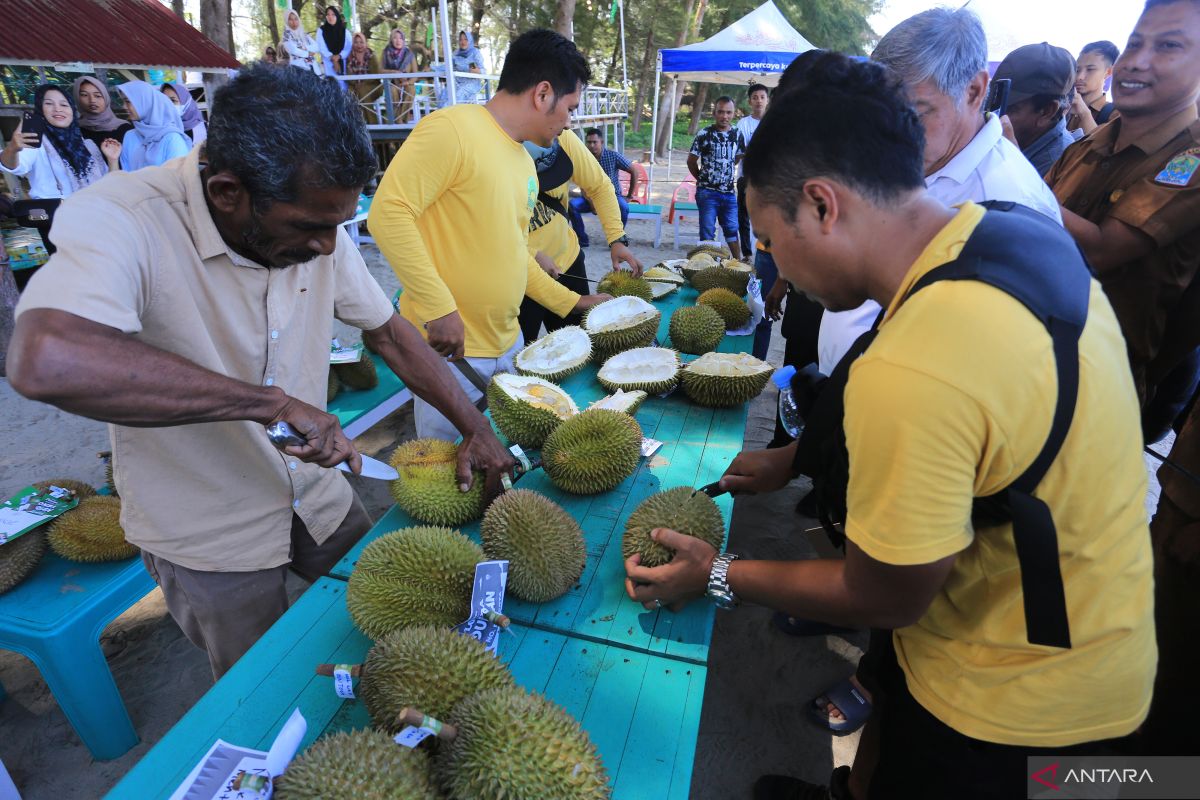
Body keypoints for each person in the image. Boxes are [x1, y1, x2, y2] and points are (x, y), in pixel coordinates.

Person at [626, 50, 1155, 800]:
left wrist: (714, 572)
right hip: (1091, 617)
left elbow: (884, 597)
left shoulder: (916, 367)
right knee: (887, 754)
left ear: (822, 204)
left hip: (1019, 700)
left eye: (772, 240)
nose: (775, 263)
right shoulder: (999, 234)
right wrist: (797, 459)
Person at [7, 63, 514, 679]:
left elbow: (389, 333)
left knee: (395, 638)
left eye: (337, 225)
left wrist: (473, 426)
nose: (329, 246)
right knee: (264, 689)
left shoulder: (311, 217)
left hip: (318, 494)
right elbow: (47, 359)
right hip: (209, 529)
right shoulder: (124, 217)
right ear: (228, 192)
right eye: (310, 227)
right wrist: (268, 402)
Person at [369, 29, 612, 441]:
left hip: (510, 343)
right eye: (569, 107)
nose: (570, 120)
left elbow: (517, 252)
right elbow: (388, 214)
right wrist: (438, 307)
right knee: (449, 474)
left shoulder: (521, 161)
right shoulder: (452, 129)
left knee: (503, 465)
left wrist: (574, 302)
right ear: (542, 94)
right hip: (451, 356)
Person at [818, 8, 1062, 379]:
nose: (891, 131)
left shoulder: (1009, 204)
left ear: (974, 91)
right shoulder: (913, 156)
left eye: (914, 112)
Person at [1046, 0, 1200, 408]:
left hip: (1095, 389)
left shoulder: (1193, 159)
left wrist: (1007, 170)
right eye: (1134, 45)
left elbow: (1098, 249)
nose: (1137, 62)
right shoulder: (1091, 142)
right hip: (1022, 351)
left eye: (1168, 46)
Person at [520, 128, 642, 343]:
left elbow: (600, 185)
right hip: (521, 278)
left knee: (579, 344)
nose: (567, 121)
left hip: (568, 263)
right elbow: (488, 236)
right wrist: (532, 254)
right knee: (523, 353)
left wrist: (617, 239)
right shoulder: (491, 152)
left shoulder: (559, 133)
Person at [1, 84, 121, 264]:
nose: (58, 109)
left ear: (73, 110)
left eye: (64, 105)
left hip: (96, 222)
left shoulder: (86, 145)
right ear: (41, 109)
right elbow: (15, 167)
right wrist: (12, 149)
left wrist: (112, 160)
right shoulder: (36, 143)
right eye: (49, 103)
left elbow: (110, 187)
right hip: (58, 225)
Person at [994, 42, 1079, 175]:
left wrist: (1014, 164)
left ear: (1047, 111)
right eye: (994, 104)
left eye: (1011, 109)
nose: (995, 116)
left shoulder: (1059, 168)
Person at [687, 96, 742, 259]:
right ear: (714, 113)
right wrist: (702, 179)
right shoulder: (704, 134)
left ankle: (738, 265)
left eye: (728, 112)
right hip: (707, 193)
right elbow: (691, 161)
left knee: (732, 229)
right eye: (721, 112)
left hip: (729, 193)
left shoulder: (737, 134)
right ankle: (706, 267)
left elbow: (737, 157)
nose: (724, 116)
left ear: (733, 114)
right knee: (707, 231)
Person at [568, 128, 636, 247]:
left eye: (595, 142)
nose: (592, 145)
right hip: (589, 197)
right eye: (589, 142)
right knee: (572, 206)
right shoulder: (584, 158)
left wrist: (629, 195)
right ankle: (582, 239)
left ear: (602, 142)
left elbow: (634, 171)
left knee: (624, 207)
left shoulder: (613, 156)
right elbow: (582, 184)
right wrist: (591, 202)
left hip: (613, 197)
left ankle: (617, 240)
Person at [117, 81, 191, 170]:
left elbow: (178, 178)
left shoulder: (172, 138)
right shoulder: (130, 136)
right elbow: (126, 175)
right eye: (123, 102)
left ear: (145, 102)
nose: (124, 107)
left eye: (128, 101)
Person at [735, 83, 769, 255]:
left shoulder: (773, 122)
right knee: (744, 217)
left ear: (767, 100)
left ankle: (766, 251)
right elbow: (739, 151)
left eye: (762, 97)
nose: (759, 101)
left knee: (767, 215)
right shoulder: (743, 124)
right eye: (755, 97)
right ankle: (747, 253)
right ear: (749, 101)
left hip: (769, 179)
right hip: (746, 177)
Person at [1066, 40, 1120, 134]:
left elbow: (1105, 148)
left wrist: (1084, 113)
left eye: (1090, 69)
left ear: (1108, 72)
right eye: (1077, 70)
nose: (1079, 77)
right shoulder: (1063, 108)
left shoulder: (1115, 114)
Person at [72, 76, 134, 149]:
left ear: (106, 98)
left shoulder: (126, 129)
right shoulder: (74, 130)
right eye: (84, 95)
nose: (92, 100)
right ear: (77, 98)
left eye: (97, 96)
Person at [382, 29, 418, 123]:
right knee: (392, 91)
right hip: (393, 83)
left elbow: (415, 74)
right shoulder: (386, 52)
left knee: (411, 90)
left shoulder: (409, 54)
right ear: (391, 39)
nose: (398, 40)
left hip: (406, 83)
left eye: (400, 38)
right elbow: (380, 70)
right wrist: (393, 72)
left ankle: (402, 119)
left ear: (403, 40)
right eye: (395, 38)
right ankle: (398, 121)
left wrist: (408, 82)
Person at [441, 30, 485, 105]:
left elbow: (482, 70)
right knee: (446, 93)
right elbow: (448, 66)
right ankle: (444, 115)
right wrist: (433, 68)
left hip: (471, 82)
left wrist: (476, 70)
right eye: (460, 39)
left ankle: (455, 114)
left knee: (460, 93)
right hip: (457, 82)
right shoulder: (456, 54)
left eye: (465, 39)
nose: (463, 42)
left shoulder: (475, 52)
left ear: (470, 40)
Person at [345, 32, 382, 112]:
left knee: (362, 92)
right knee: (350, 94)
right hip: (355, 86)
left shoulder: (372, 56)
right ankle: (357, 122)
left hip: (373, 86)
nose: (359, 45)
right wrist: (356, 83)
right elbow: (348, 75)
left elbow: (376, 74)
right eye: (356, 42)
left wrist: (363, 83)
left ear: (365, 43)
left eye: (361, 42)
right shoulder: (349, 57)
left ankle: (372, 123)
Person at [281, 9, 320, 74]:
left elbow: (317, 47)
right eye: (290, 19)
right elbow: (293, 50)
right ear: (287, 21)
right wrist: (308, 53)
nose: (294, 22)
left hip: (312, 66)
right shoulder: (286, 35)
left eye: (296, 19)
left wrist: (305, 48)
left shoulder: (304, 34)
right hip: (298, 68)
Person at [317, 5, 351, 79]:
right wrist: (333, 59)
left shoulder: (345, 31)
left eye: (333, 14)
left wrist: (339, 56)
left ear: (337, 16)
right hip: (328, 64)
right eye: (328, 14)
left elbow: (348, 47)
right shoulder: (321, 31)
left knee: (343, 86)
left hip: (343, 63)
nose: (330, 17)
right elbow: (321, 47)